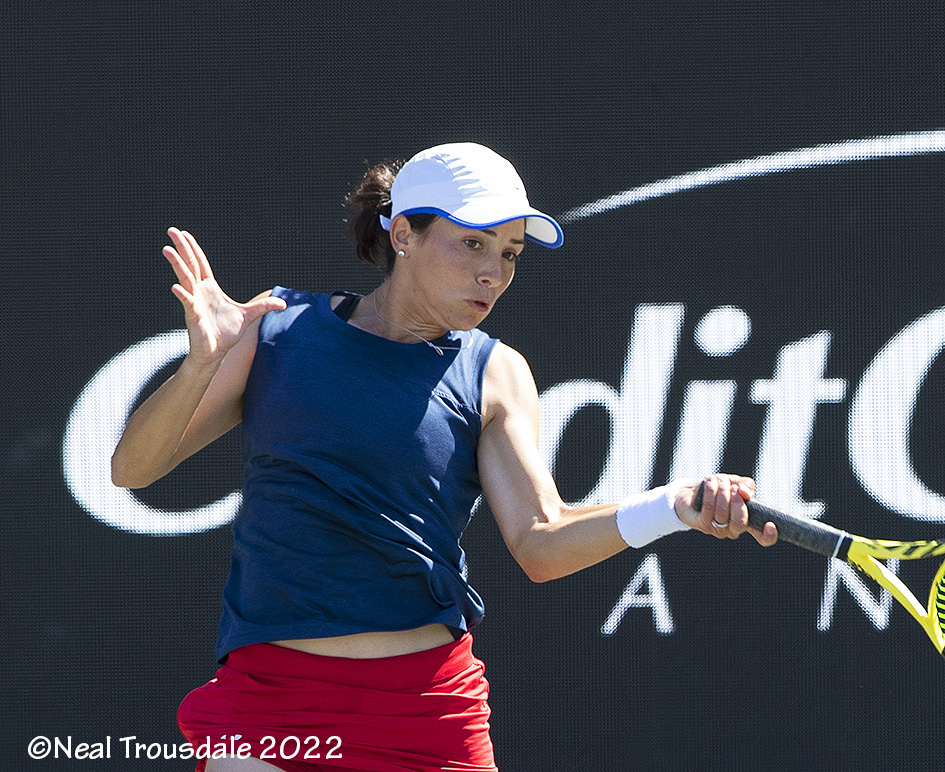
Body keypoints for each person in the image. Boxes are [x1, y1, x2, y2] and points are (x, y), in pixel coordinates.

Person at [111, 142, 778, 772]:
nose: (494, 272)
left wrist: (673, 506)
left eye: (511, 253)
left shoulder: (496, 372)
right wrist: (202, 365)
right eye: (473, 244)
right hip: (270, 703)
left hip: (427, 710)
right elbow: (132, 470)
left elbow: (542, 542)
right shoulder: (278, 328)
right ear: (404, 234)